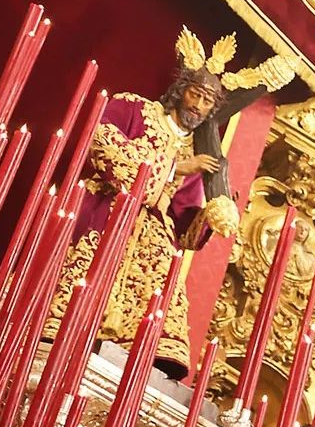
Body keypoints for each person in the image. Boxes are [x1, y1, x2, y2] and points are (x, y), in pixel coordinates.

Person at [44, 27, 295, 378]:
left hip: (153, 246)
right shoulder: (135, 109)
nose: (199, 105)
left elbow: (184, 229)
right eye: (195, 94)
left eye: (208, 101)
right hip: (105, 217)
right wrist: (174, 167)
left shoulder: (200, 153)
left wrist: (211, 215)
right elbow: (101, 142)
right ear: (181, 90)